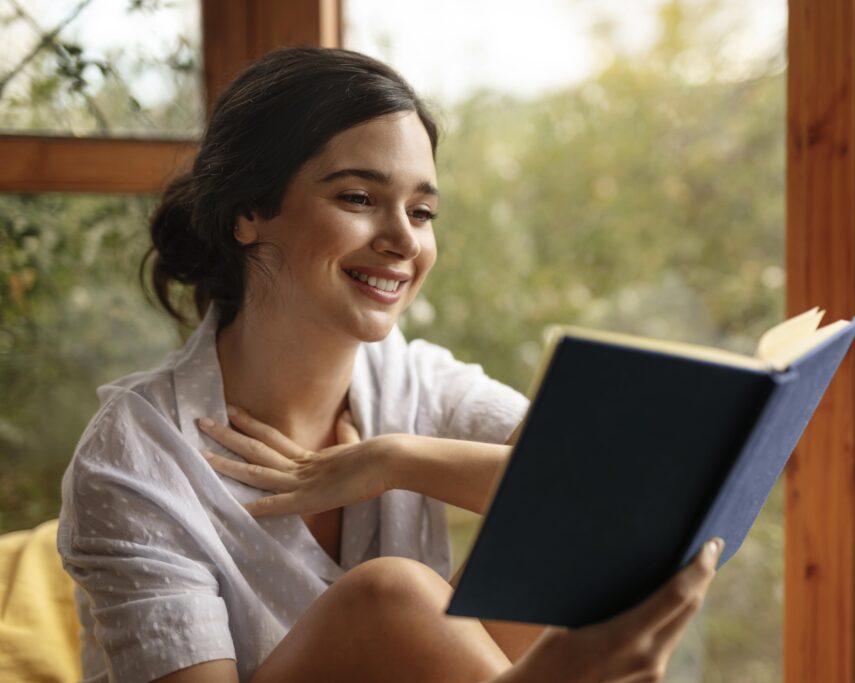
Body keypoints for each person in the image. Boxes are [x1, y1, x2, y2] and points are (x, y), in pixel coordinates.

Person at [57, 47, 722, 683]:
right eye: (357, 197)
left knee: (562, 531)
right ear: (248, 212)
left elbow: (632, 498)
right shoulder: (134, 457)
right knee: (388, 599)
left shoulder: (415, 382)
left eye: (423, 210)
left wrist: (394, 460)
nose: (405, 239)